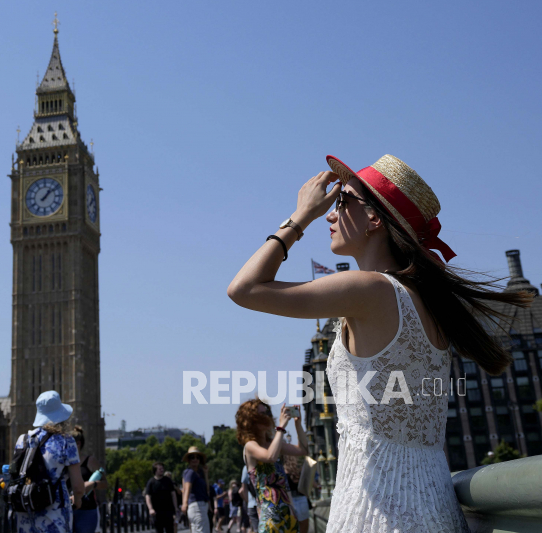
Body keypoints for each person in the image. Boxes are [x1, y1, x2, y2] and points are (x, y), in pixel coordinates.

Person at [227, 155, 532, 532]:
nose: (330, 214)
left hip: (377, 510)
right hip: (435, 504)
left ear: (375, 219)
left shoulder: (369, 289)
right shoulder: (426, 301)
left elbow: (244, 289)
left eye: (342, 202)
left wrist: (298, 217)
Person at [14, 391, 84, 533]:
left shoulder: (23, 439)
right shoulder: (67, 441)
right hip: (54, 516)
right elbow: (78, 486)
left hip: (25, 515)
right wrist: (77, 500)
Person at [235, 399, 307, 533]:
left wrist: (298, 424)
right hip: (270, 517)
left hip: (288, 514)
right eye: (261, 414)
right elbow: (270, 456)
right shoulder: (250, 446)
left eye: (267, 413)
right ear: (250, 420)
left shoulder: (272, 444)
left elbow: (303, 450)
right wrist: (281, 427)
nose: (266, 417)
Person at [70, 426, 107, 533]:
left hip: (86, 510)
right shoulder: (62, 462)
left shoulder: (90, 461)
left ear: (78, 444)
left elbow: (105, 483)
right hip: (66, 509)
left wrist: (92, 484)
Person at [280, 436, 309, 533]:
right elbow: (309, 482)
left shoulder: (282, 469)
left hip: (289, 501)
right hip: (302, 499)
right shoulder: (298, 468)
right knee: (304, 529)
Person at [180, 446, 210, 533]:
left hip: (199, 506)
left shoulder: (198, 472)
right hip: (197, 506)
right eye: (192, 457)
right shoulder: (190, 472)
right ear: (188, 460)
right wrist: (184, 504)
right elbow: (186, 489)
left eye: (198, 457)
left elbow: (207, 489)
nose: (195, 459)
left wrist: (206, 474)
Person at [144, 462, 177, 533]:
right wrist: (150, 509)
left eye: (162, 468)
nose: (162, 470)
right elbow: (147, 496)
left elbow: (173, 494)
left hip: (168, 511)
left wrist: (175, 507)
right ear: (155, 470)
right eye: (160, 469)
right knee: (159, 530)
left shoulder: (168, 480)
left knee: (170, 530)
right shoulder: (151, 482)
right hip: (157, 513)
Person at [239, 465, 257, 533]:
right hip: (265, 502)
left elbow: (242, 490)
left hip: (252, 504)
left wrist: (247, 501)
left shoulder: (246, 467)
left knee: (256, 529)